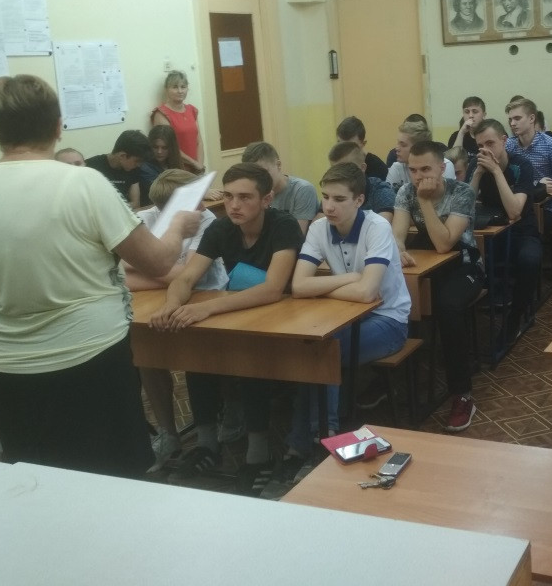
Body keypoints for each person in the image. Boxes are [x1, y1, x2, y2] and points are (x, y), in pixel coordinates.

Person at [0, 74, 201, 478]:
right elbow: (157, 262)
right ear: (58, 126)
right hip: (87, 354)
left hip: (4, 360)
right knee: (111, 473)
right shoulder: (84, 182)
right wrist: (177, 225)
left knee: (35, 473)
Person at [149, 162, 302, 491]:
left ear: (266, 199)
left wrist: (206, 308)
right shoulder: (221, 228)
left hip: (285, 315)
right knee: (196, 349)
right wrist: (171, 305)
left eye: (245, 197)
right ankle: (206, 443)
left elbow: (273, 288)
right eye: (229, 196)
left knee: (247, 353)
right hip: (242, 310)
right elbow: (186, 278)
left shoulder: (283, 225)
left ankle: (258, 451)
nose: (234, 205)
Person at [287, 162, 410, 476]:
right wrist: (351, 279)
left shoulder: (377, 227)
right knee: (311, 347)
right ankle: (310, 441)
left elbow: (367, 294)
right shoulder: (319, 229)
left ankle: (316, 441)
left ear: (359, 200)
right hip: (346, 318)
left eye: (339, 199)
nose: (329, 206)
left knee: (325, 349)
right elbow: (298, 286)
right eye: (325, 197)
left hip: (389, 320)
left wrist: (326, 288)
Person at [122, 169, 228, 472]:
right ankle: (169, 434)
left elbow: (187, 275)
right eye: (196, 200)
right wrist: (168, 274)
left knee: (199, 361)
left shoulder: (206, 220)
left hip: (205, 297)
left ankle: (216, 425)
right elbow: (120, 273)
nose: (204, 206)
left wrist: (149, 268)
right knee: (148, 359)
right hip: (156, 301)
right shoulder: (143, 220)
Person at [391, 140, 483, 432]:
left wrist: (425, 202)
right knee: (394, 297)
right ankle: (397, 381)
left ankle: (462, 395)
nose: (418, 177)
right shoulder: (406, 191)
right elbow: (397, 235)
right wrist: (398, 249)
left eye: (425, 169)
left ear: (442, 169)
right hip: (427, 264)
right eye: (413, 170)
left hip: (464, 265)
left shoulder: (462, 192)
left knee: (448, 306)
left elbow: (445, 244)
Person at [470, 119, 542, 334]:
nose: (485, 150)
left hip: (522, 231)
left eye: (490, 143)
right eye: (480, 146)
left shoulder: (521, 165)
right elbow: (463, 209)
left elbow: (514, 212)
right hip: (490, 232)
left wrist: (496, 172)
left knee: (529, 260)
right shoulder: (477, 165)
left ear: (503, 140)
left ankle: (516, 316)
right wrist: (477, 174)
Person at [505, 98, 552, 233]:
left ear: (531, 118)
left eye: (517, 118)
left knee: (524, 227)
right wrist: (538, 186)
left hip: (548, 207)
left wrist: (551, 187)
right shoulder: (509, 145)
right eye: (510, 120)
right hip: (519, 205)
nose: (512, 123)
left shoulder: (551, 144)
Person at [241, 141, 318, 236]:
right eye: (251, 174)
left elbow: (295, 236)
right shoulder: (254, 192)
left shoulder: (302, 190)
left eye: (263, 172)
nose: (258, 179)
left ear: (278, 165)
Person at [151, 69, 204, 173]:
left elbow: (199, 142)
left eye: (183, 87)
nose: (180, 91)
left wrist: (200, 165)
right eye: (175, 87)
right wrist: (194, 163)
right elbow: (169, 147)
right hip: (176, 168)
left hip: (196, 168)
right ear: (167, 89)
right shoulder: (161, 113)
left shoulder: (192, 110)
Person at [328, 141, 395, 222]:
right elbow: (320, 224)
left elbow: (382, 225)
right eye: (334, 171)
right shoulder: (331, 192)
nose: (338, 176)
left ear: (362, 168)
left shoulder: (380, 190)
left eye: (345, 169)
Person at [85, 129, 151, 207]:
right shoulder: (91, 167)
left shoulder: (134, 169)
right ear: (122, 156)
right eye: (137, 161)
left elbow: (135, 204)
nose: (139, 165)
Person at [386, 120, 457, 189]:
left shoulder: (444, 165)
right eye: (412, 170)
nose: (397, 148)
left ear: (418, 147)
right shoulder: (396, 167)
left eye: (403, 145)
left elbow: (447, 196)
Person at [138, 124, 184, 207]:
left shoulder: (174, 162)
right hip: (153, 209)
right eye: (155, 147)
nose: (159, 152)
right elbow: (164, 193)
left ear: (171, 148)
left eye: (164, 148)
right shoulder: (144, 167)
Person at [336, 115, 388, 181]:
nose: (344, 150)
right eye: (341, 145)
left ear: (363, 144)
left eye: (351, 146)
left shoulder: (378, 168)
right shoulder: (336, 164)